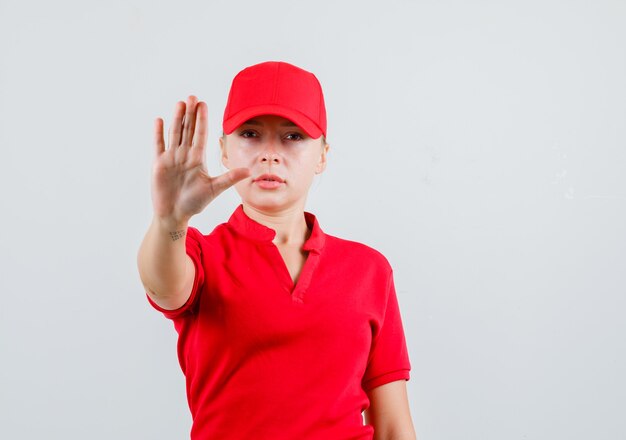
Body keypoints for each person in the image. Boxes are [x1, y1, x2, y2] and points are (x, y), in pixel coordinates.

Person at [137, 61, 416, 440]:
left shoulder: (370, 270)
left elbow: (394, 426)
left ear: (322, 155)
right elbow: (164, 286)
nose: (270, 154)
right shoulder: (199, 254)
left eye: (293, 136)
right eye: (251, 134)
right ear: (223, 150)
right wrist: (170, 219)